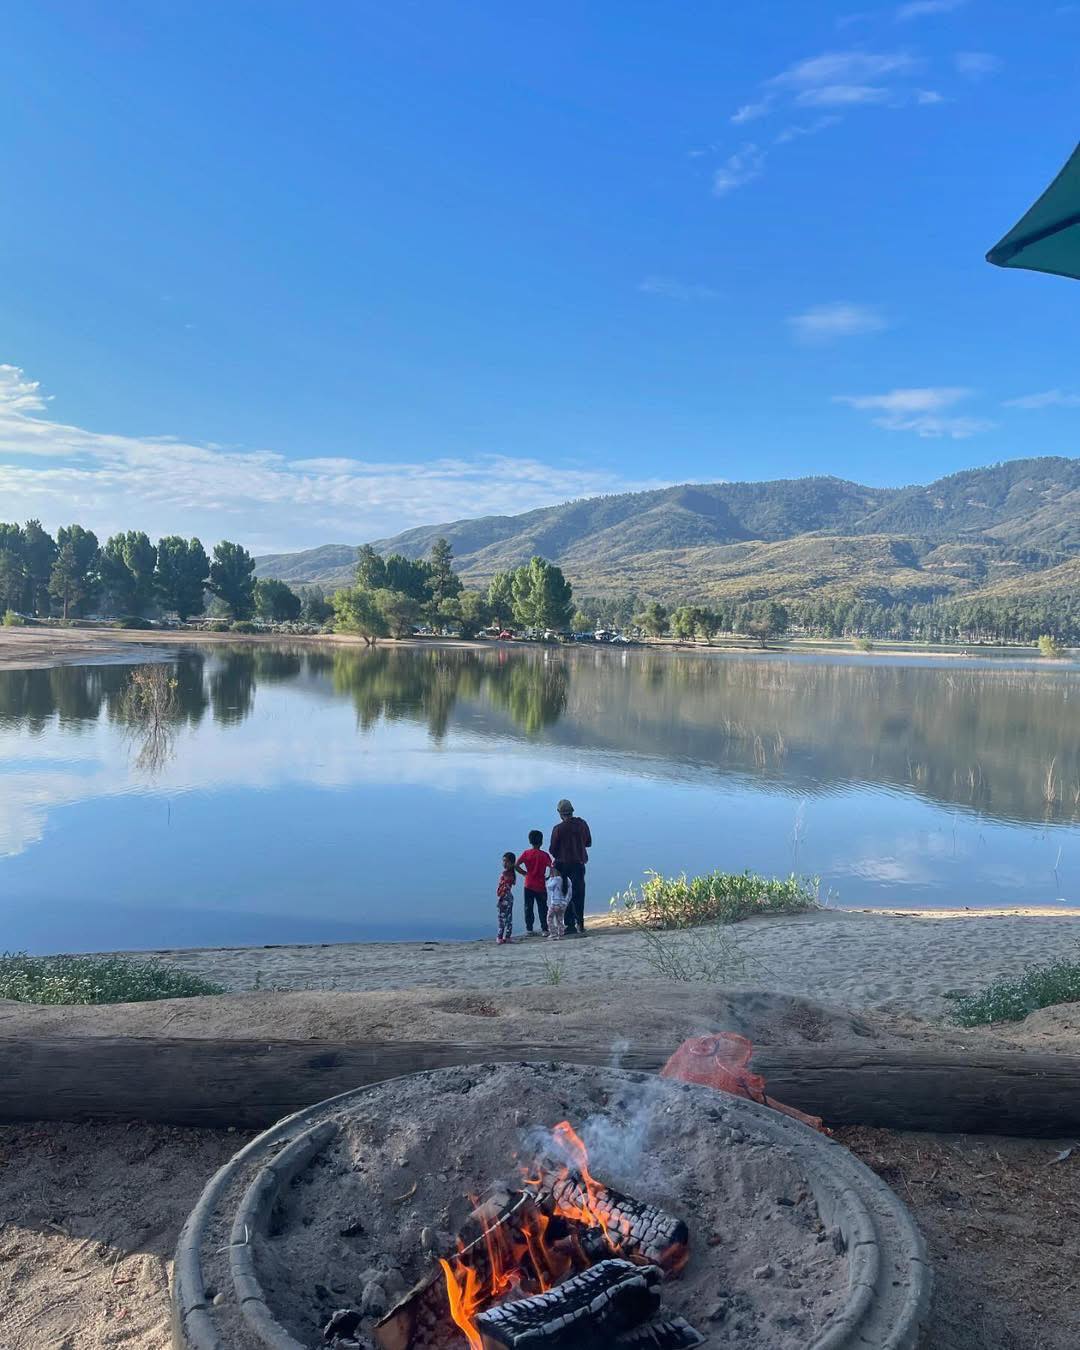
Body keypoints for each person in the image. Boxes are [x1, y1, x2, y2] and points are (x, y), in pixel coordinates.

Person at [549, 799, 592, 936]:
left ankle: (570, 925)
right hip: (579, 864)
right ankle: (580, 923)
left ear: (560, 813)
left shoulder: (558, 829)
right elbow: (588, 842)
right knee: (579, 894)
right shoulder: (582, 824)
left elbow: (553, 850)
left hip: (563, 866)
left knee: (564, 893)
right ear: (572, 811)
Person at [516, 829, 552, 936]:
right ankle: (544, 929)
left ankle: (529, 929)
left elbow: (516, 865)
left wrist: (524, 873)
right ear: (541, 842)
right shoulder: (544, 855)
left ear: (530, 841)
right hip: (540, 885)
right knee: (542, 907)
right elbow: (552, 867)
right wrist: (549, 877)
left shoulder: (526, 853)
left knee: (528, 907)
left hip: (528, 884)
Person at [545, 861, 570, 940]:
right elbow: (570, 893)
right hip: (563, 904)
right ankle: (561, 934)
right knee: (560, 919)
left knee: (549, 918)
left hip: (555, 903)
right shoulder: (567, 879)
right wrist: (566, 902)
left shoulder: (556, 879)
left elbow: (549, 887)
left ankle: (553, 933)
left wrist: (551, 878)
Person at [496, 850, 517, 944]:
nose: (504, 863)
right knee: (508, 918)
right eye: (503, 861)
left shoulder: (507, 874)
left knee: (502, 918)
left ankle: (500, 937)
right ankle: (507, 936)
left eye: (506, 861)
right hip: (508, 897)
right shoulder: (511, 873)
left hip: (505, 897)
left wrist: (501, 896)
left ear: (512, 863)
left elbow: (504, 887)